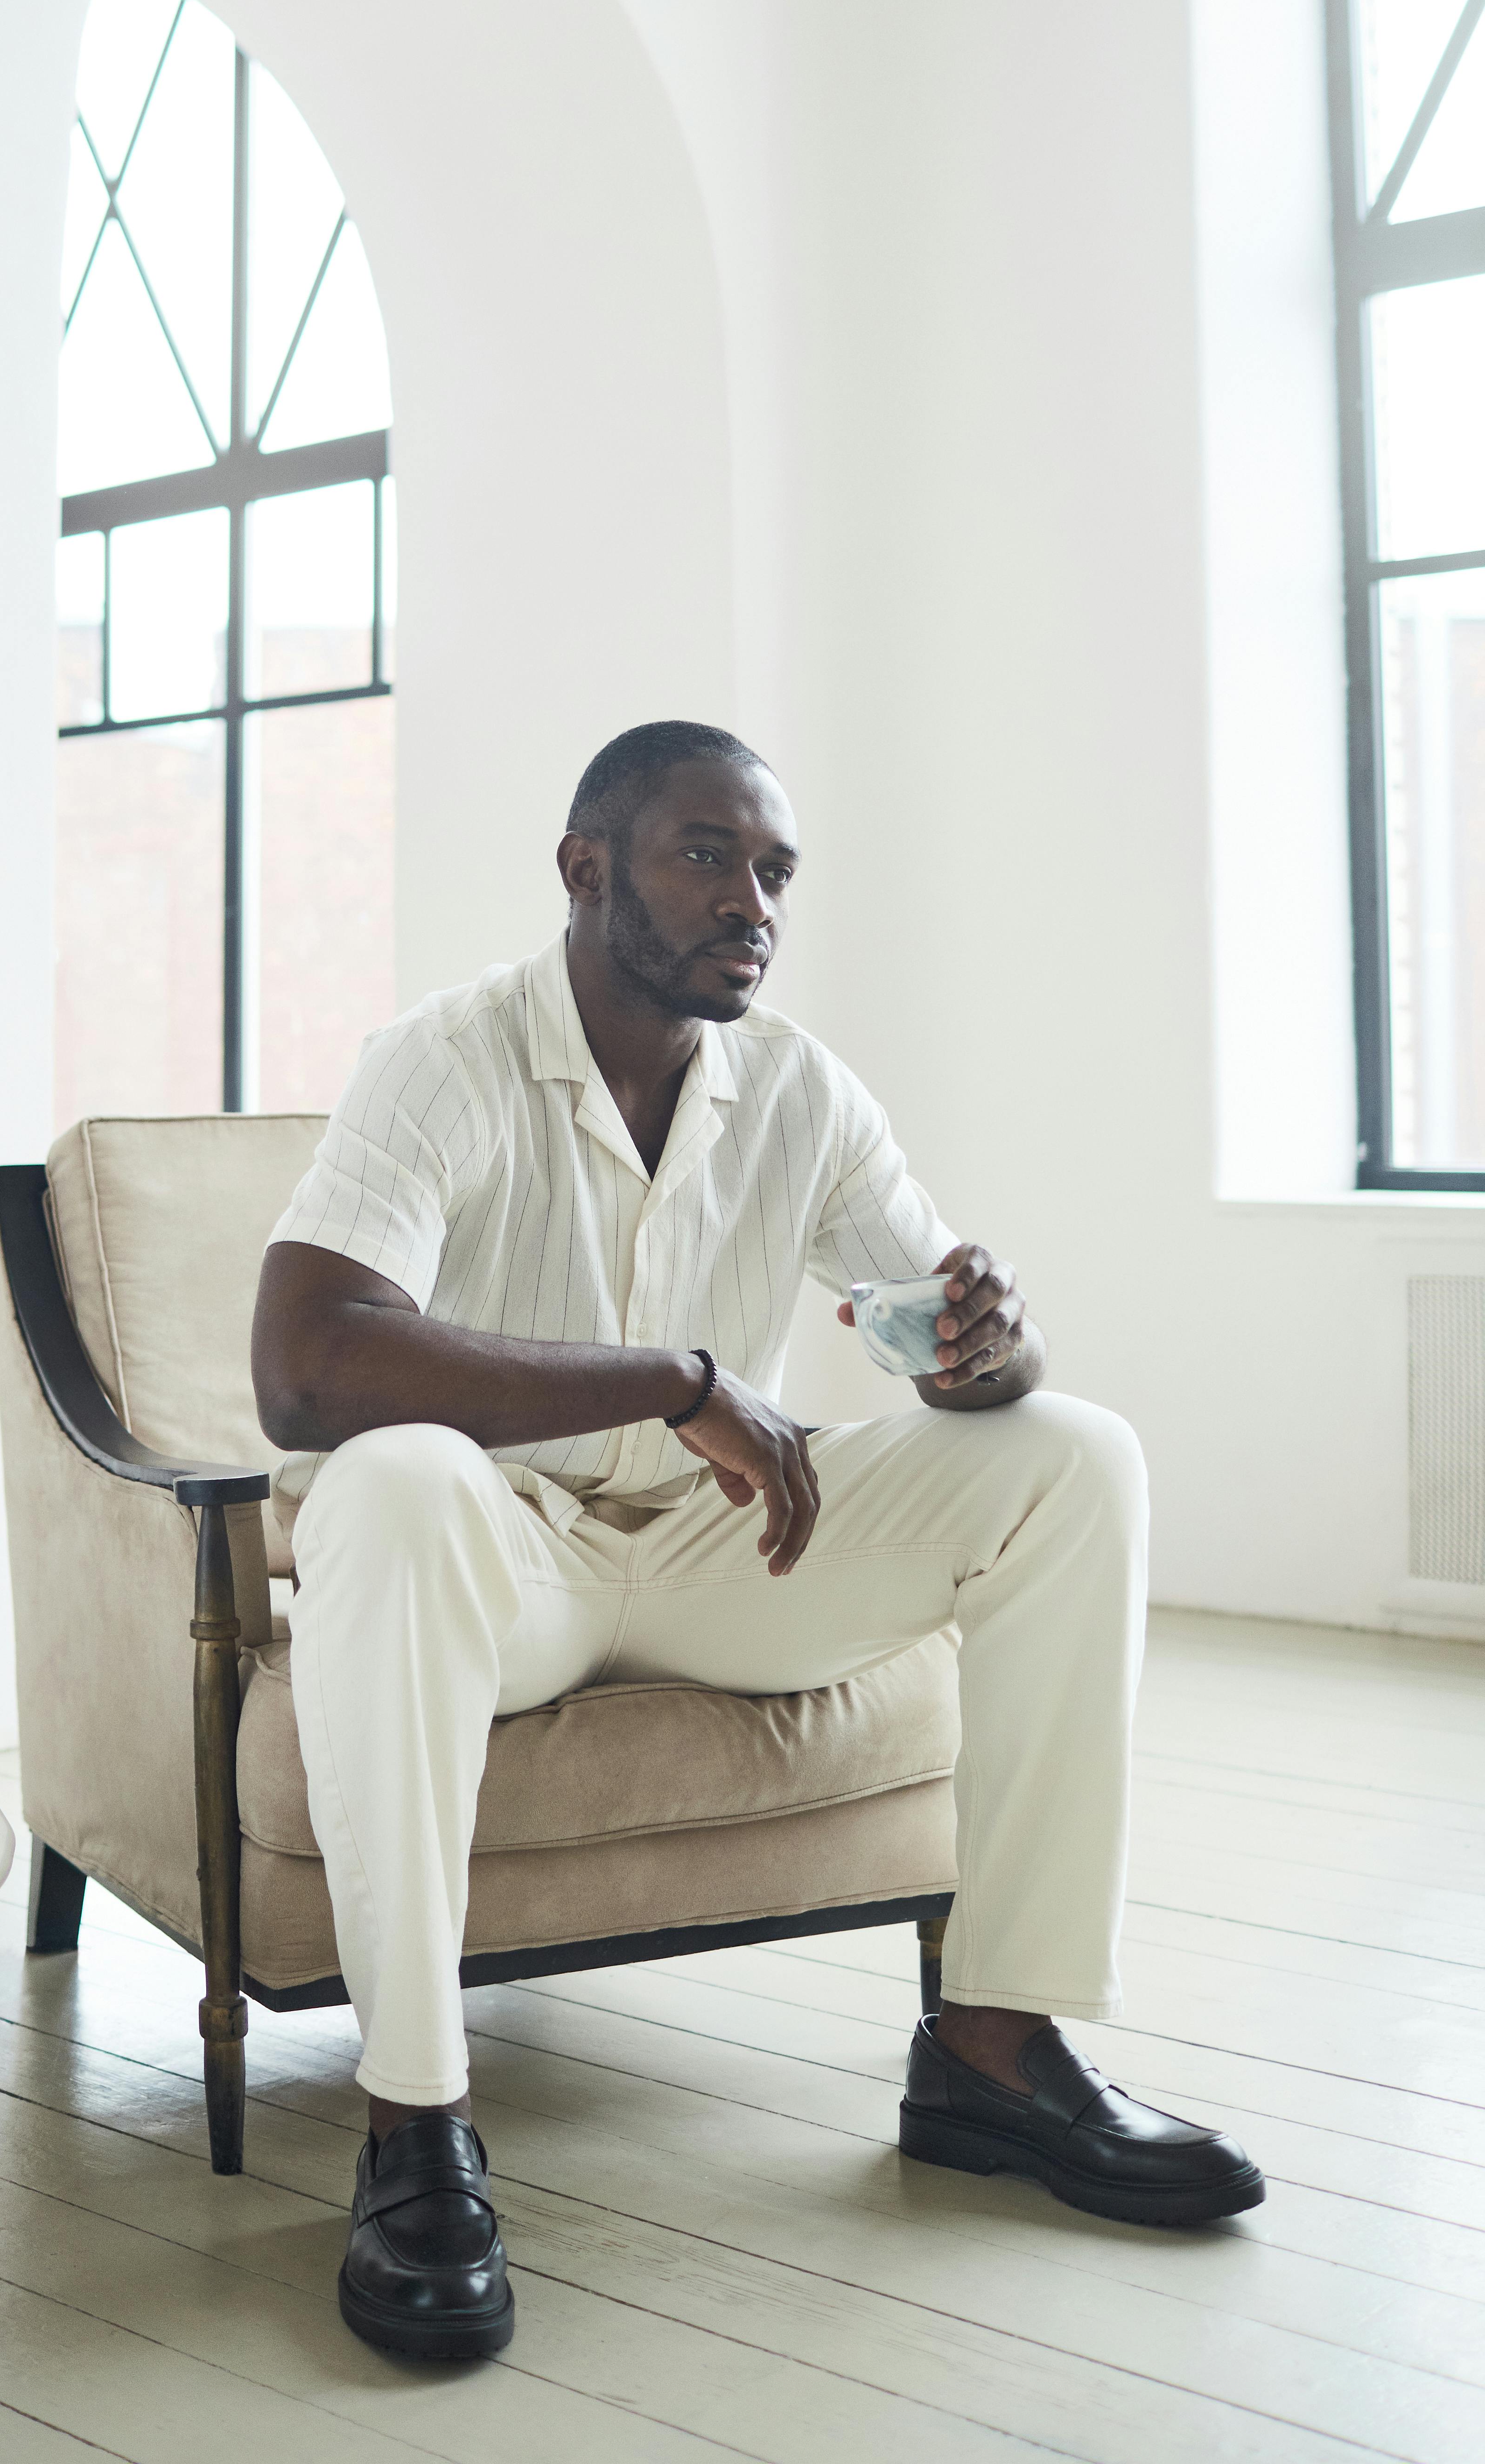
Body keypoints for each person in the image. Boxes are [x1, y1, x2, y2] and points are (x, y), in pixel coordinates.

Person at [251, 720, 1264, 2364]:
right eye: (706, 856)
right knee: (389, 1479)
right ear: (587, 872)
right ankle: (413, 2123)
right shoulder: (441, 1060)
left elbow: (956, 1345)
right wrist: (680, 1381)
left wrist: (989, 1345)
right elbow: (306, 1368)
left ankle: (994, 2053)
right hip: (507, 1567)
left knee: (1075, 1457)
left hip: (732, 1554)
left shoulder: (800, 1088)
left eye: (776, 872)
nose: (753, 903)